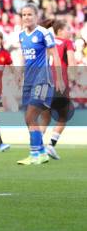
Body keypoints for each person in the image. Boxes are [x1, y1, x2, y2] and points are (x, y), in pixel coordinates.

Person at [16, 4, 64, 165]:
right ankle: (41, 152)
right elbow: (24, 57)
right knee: (29, 118)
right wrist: (19, 74)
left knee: (30, 116)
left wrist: (59, 79)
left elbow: (55, 55)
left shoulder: (44, 33)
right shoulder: (21, 35)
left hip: (42, 80)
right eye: (24, 15)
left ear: (36, 16)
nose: (26, 17)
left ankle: (34, 154)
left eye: (30, 14)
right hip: (28, 82)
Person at [39, 19, 76, 160]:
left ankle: (37, 146)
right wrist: (74, 79)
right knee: (63, 116)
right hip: (60, 84)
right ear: (60, 30)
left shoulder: (49, 42)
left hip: (44, 82)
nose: (70, 32)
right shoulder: (68, 43)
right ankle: (51, 146)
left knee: (45, 117)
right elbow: (72, 64)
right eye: (68, 28)